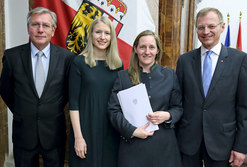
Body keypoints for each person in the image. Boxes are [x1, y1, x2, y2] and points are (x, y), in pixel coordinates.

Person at [0, 7, 75, 167]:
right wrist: (24, 110)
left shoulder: (67, 58)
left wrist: (49, 108)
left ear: (53, 30)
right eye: (35, 24)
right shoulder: (12, 57)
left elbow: (68, 93)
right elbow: (5, 90)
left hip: (54, 134)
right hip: (23, 134)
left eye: (46, 25)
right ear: (28, 28)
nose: (40, 30)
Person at [176, 7, 247, 167]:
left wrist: (241, 147)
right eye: (201, 27)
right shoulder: (184, 61)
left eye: (211, 26)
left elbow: (245, 107)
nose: (206, 31)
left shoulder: (240, 60)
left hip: (223, 143)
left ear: (222, 27)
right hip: (188, 143)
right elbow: (178, 102)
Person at [108, 30, 183, 167]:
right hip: (133, 148)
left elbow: (178, 108)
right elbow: (113, 111)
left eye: (151, 47)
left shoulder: (169, 75)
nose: (147, 52)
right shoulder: (123, 77)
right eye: (142, 47)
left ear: (158, 50)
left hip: (164, 148)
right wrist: (132, 131)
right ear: (135, 49)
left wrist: (167, 115)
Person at [68, 16, 123, 167]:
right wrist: (78, 137)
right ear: (91, 34)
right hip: (85, 128)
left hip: (111, 130)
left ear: (112, 37)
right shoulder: (78, 62)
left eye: (107, 33)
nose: (102, 37)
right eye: (98, 32)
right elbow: (73, 104)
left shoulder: (118, 64)